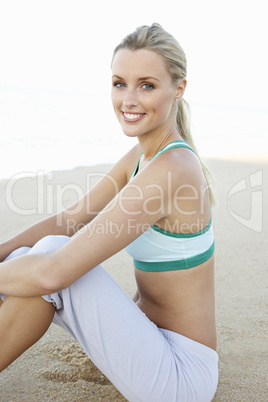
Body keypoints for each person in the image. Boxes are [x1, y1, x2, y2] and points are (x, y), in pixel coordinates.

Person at [0, 23, 218, 401]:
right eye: (120, 83)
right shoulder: (143, 156)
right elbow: (70, 219)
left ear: (178, 89)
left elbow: (54, 272)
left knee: (49, 258)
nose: (129, 99)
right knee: (25, 255)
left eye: (146, 85)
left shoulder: (174, 168)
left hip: (181, 376)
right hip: (146, 341)